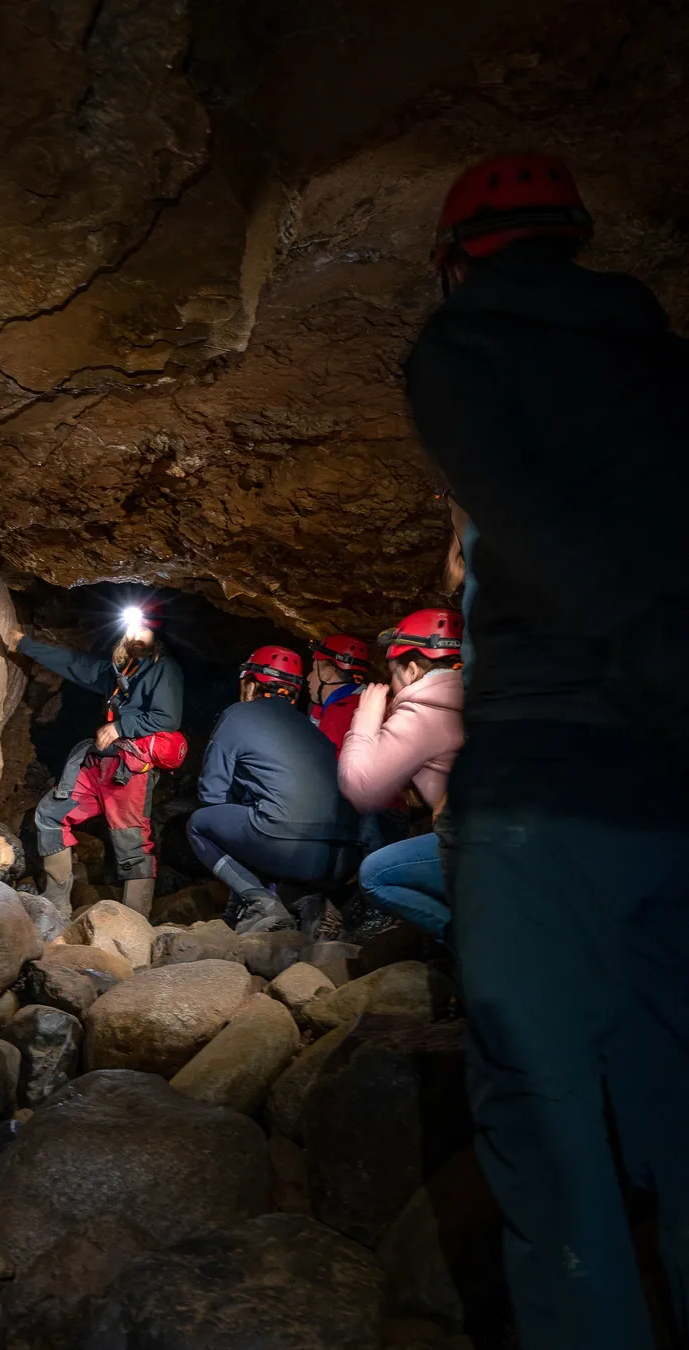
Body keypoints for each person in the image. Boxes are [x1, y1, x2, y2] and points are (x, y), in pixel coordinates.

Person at [406, 152, 689, 1350]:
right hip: (671, 781)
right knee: (679, 1093)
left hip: (543, 777)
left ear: (459, 255)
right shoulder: (661, 362)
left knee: (544, 1108)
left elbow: (532, 533)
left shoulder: (460, 355)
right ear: (573, 234)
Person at [10, 600, 183, 917]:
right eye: (131, 627)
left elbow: (167, 719)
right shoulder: (118, 670)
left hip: (131, 768)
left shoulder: (164, 670)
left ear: (156, 634)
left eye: (142, 628)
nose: (135, 634)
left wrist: (120, 727)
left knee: (130, 842)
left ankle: (134, 925)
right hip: (99, 763)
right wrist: (25, 644)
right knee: (51, 813)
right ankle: (57, 904)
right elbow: (75, 664)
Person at [187, 645, 358, 933]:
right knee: (266, 819)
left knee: (199, 825)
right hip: (343, 860)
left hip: (288, 849)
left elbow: (211, 795)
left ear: (251, 683)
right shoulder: (311, 727)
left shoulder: (237, 715)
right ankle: (310, 903)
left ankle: (260, 902)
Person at [337, 609, 465, 940]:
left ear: (411, 669)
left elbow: (360, 785)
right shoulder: (477, 694)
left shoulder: (424, 709)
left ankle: (466, 945)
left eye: (393, 674)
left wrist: (366, 715)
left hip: (477, 847)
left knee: (376, 874)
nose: (392, 685)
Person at [306, 633, 371, 752]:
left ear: (327, 673)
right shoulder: (368, 704)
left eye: (314, 669)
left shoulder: (339, 717)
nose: (309, 677)